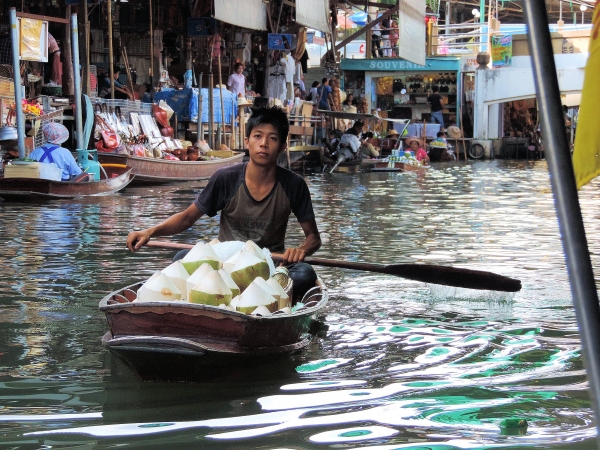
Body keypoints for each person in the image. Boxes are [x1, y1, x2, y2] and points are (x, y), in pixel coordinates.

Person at [126, 106, 322, 299]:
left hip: (270, 265)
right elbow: (186, 218)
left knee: (305, 274)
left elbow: (313, 237)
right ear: (247, 141)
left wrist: (300, 251)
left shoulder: (294, 185)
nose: (263, 144)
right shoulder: (226, 178)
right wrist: (149, 232)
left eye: (272, 138)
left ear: (282, 146)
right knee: (180, 260)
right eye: (257, 136)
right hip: (224, 264)